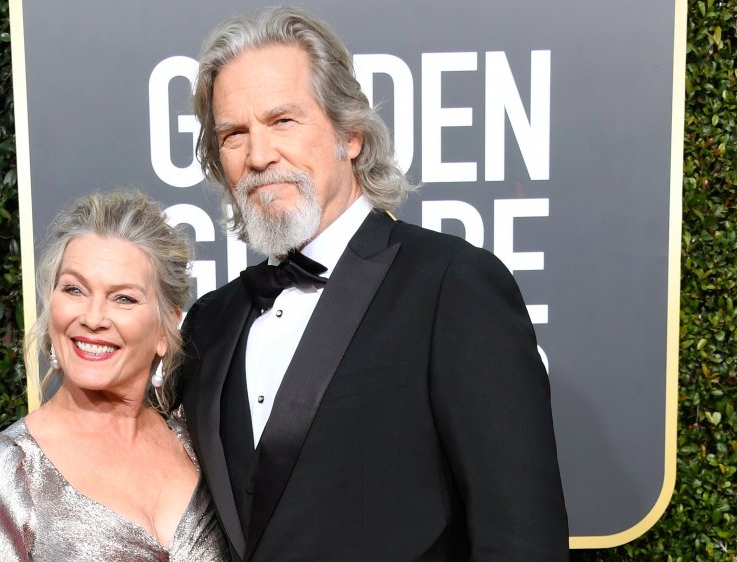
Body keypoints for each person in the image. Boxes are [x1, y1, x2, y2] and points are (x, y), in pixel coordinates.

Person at [180, 7, 569, 561]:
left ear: (352, 134)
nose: (259, 155)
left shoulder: (453, 286)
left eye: (282, 121)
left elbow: (521, 537)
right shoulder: (211, 321)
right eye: (234, 134)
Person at [0, 191, 228, 561]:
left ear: (165, 327)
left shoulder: (203, 443)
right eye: (74, 289)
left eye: (123, 298)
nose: (93, 318)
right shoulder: (2, 466)